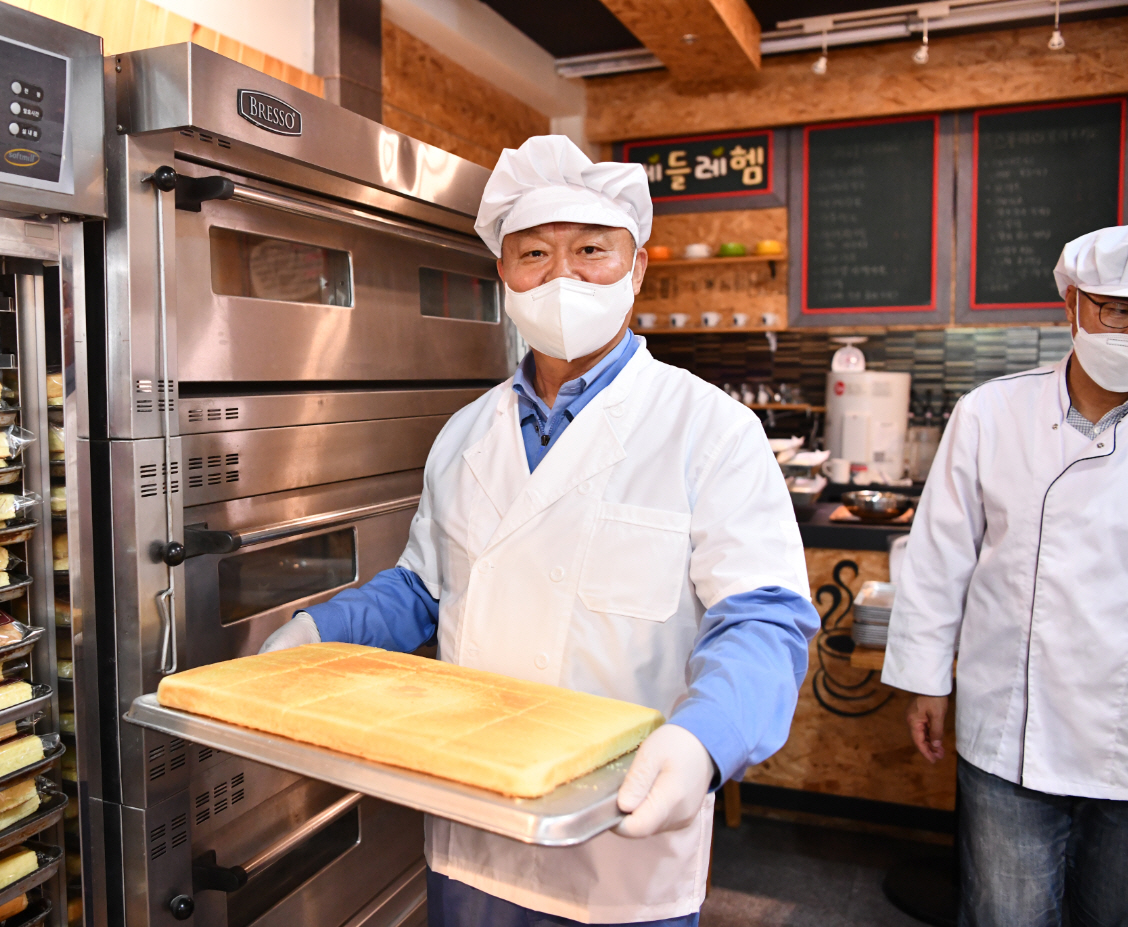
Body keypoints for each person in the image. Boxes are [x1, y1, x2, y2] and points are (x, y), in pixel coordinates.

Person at [261, 136, 819, 927]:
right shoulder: (464, 435)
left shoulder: (710, 429)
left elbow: (762, 616)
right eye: (534, 254)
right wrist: (322, 628)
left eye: (592, 249)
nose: (562, 276)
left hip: (622, 844)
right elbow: (424, 589)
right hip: (474, 834)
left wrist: (706, 739)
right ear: (504, 275)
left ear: (639, 267)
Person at [883, 226, 1128, 927]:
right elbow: (938, 558)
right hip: (1011, 731)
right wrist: (927, 677)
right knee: (1005, 913)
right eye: (1116, 308)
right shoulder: (992, 413)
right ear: (1071, 305)